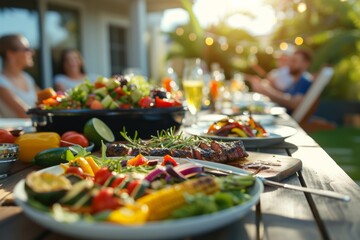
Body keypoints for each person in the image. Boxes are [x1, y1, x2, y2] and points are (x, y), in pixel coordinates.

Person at [246, 48, 313, 112]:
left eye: (294, 61)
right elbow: (283, 94)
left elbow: (294, 103)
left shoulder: (305, 80)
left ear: (305, 64)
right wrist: (266, 86)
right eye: (290, 60)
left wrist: (267, 91)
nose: (289, 64)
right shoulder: (295, 80)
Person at [0, 34, 39, 118]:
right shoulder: (1, 81)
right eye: (26, 49)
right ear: (10, 54)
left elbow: (46, 101)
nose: (32, 52)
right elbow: (25, 113)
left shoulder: (27, 78)